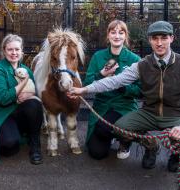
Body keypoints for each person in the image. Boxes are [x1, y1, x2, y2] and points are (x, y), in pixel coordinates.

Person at [68, 20, 180, 172]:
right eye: (155, 38)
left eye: (164, 38)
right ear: (149, 40)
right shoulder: (142, 64)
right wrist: (84, 90)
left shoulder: (175, 62)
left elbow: (137, 91)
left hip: (174, 113)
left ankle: (176, 155)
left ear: (172, 38)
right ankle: (151, 145)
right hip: (149, 112)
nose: (159, 43)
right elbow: (114, 81)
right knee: (118, 129)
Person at [0, 34, 43, 165]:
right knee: (9, 148)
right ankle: (9, 133)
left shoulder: (26, 70)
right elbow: (2, 98)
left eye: (17, 49)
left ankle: (35, 144)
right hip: (0, 113)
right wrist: (23, 83)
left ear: (22, 51)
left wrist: (29, 94)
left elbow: (34, 90)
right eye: (10, 49)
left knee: (34, 104)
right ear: (4, 51)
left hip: (18, 111)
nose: (14, 53)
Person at [83, 20, 141, 160]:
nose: (117, 36)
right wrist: (101, 74)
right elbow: (88, 83)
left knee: (107, 127)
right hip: (102, 106)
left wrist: (121, 86)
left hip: (124, 107)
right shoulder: (98, 57)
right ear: (108, 35)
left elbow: (140, 90)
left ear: (125, 36)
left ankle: (124, 142)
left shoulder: (134, 59)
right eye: (113, 32)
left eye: (121, 33)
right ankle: (111, 135)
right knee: (96, 153)